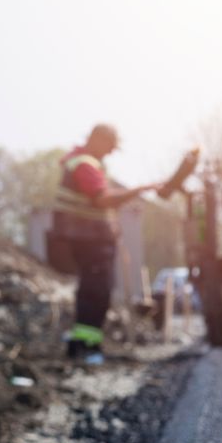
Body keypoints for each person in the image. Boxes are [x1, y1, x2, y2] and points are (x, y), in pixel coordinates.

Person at [51, 125, 158, 363]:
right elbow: (103, 200)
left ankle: (84, 344)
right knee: (96, 292)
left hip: (89, 240)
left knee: (93, 291)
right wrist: (138, 190)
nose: (109, 153)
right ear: (97, 140)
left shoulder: (80, 162)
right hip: (89, 242)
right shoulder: (85, 164)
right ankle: (87, 347)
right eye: (109, 147)